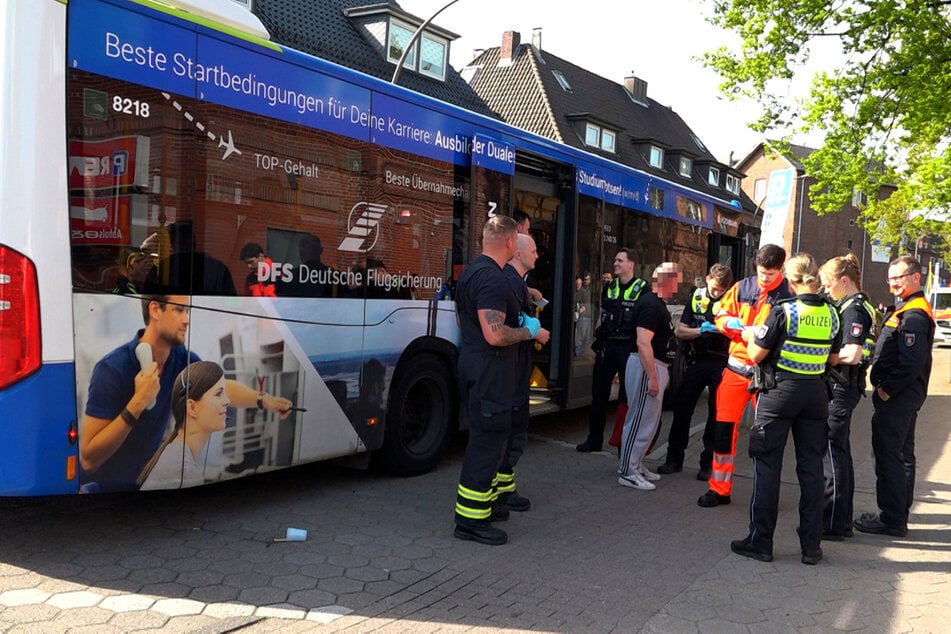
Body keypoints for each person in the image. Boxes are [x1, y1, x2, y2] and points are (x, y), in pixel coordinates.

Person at [78, 295, 293, 491]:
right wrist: (138, 402)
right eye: (179, 310)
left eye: (187, 311)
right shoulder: (112, 369)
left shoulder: (180, 359)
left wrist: (264, 400)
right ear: (155, 310)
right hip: (105, 491)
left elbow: (219, 387)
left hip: (144, 484)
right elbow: (89, 459)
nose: (186, 319)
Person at [730, 253, 841, 565]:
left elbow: (755, 354)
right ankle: (811, 546)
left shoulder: (784, 311)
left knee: (767, 465)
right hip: (815, 394)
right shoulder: (833, 314)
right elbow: (833, 359)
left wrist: (751, 334)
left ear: (791, 282)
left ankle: (760, 541)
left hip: (779, 393)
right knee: (811, 469)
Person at [453, 216, 546, 546]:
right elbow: (495, 335)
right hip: (491, 374)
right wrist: (529, 331)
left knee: (488, 441)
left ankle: (482, 509)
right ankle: (469, 521)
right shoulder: (492, 279)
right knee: (486, 445)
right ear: (510, 243)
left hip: (480, 369)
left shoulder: (473, 272)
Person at [698, 243, 792, 507]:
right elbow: (721, 315)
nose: (764, 278)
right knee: (723, 431)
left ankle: (764, 494)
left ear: (781, 269)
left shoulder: (788, 294)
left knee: (765, 437)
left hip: (767, 375)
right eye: (762, 272)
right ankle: (719, 488)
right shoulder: (741, 287)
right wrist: (734, 325)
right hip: (736, 369)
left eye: (770, 274)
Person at [854, 255, 935, 538]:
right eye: (890, 279)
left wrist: (887, 390)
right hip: (905, 397)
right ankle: (898, 512)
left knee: (889, 455)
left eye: (898, 278)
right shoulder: (909, 309)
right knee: (902, 455)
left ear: (915, 277)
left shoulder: (913, 315)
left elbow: (910, 362)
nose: (893, 284)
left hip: (898, 397)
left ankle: (891, 518)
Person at [818, 254, 876, 541]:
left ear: (844, 281)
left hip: (841, 386)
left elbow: (852, 354)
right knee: (839, 453)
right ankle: (840, 521)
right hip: (845, 386)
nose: (826, 291)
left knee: (832, 454)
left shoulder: (854, 309)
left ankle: (832, 523)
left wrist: (822, 357)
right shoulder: (852, 305)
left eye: (829, 285)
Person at [657, 263, 733, 479]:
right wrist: (701, 330)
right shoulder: (697, 297)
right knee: (682, 409)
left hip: (721, 362)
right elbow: (681, 331)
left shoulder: (732, 301)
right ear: (708, 279)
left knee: (715, 415)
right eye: (715, 287)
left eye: (721, 290)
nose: (716, 292)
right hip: (697, 360)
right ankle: (674, 459)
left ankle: (707, 464)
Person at [497, 233, 551, 514]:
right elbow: (506, 323)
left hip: (516, 370)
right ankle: (497, 493)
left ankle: (504, 488)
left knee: (515, 431)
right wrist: (534, 330)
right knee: (509, 432)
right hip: (511, 371)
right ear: (518, 254)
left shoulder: (516, 282)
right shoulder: (509, 282)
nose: (537, 255)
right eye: (533, 250)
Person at [617, 262, 681, 490]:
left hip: (653, 366)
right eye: (676, 280)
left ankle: (636, 464)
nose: (678, 286)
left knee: (649, 422)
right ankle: (627, 471)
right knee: (639, 421)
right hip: (647, 366)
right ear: (666, 280)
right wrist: (653, 377)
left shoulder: (655, 303)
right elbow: (643, 342)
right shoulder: (650, 304)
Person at [577, 249, 648, 452]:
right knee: (598, 396)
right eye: (615, 259)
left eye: (620, 260)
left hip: (629, 349)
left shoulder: (642, 288)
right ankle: (594, 440)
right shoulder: (609, 287)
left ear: (631, 264)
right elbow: (603, 314)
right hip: (608, 347)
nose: (615, 263)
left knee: (626, 399)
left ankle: (623, 444)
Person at [137, 361, 230, 490]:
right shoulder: (185, 472)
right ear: (191, 407)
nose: (228, 401)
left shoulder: (173, 453)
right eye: (219, 393)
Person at [574, 274, 593, 356]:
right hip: (581, 317)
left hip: (585, 316)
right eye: (576, 284)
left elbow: (585, 305)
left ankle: (581, 354)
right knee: (580, 338)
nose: (578, 286)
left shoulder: (585, 291)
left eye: (579, 284)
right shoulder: (577, 292)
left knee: (585, 337)